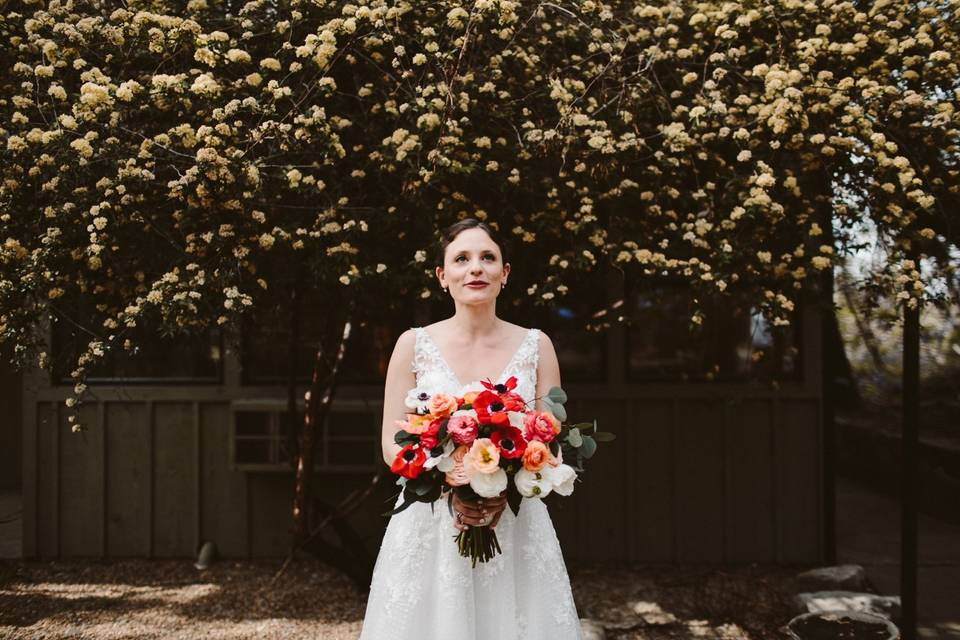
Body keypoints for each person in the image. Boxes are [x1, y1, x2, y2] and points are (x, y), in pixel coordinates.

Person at [358, 218, 584, 639]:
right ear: (443, 277)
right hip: (431, 522)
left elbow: (551, 441)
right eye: (461, 259)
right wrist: (451, 484)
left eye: (487, 258)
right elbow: (393, 445)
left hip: (514, 524)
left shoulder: (537, 346)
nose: (475, 268)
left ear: (505, 273)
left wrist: (504, 488)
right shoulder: (413, 345)